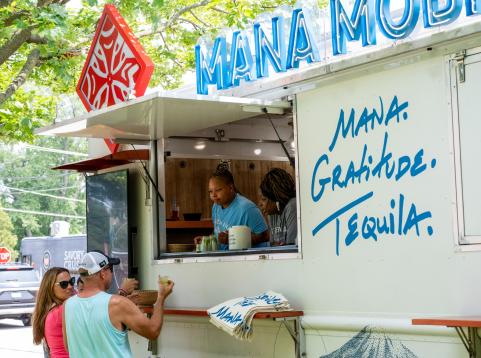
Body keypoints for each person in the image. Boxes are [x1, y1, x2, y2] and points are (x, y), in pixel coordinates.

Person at [63, 251, 174, 358]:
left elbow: (69, 347)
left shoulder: (67, 305)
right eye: (110, 269)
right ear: (102, 273)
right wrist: (161, 297)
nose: (112, 273)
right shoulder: (117, 303)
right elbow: (153, 331)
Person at [199, 163, 269, 250]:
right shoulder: (216, 206)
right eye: (210, 191)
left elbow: (265, 236)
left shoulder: (247, 208)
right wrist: (207, 240)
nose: (214, 195)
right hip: (222, 259)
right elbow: (218, 231)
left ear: (231, 188)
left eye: (218, 190)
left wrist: (234, 239)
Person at [33, 267, 74, 358]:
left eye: (72, 281)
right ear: (50, 287)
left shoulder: (49, 310)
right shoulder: (62, 310)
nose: (70, 286)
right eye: (64, 284)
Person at [259, 168, 297, 246]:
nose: (260, 203)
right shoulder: (271, 214)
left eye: (264, 199)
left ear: (276, 198)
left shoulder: (292, 206)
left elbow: (291, 247)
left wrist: (279, 245)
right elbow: (273, 245)